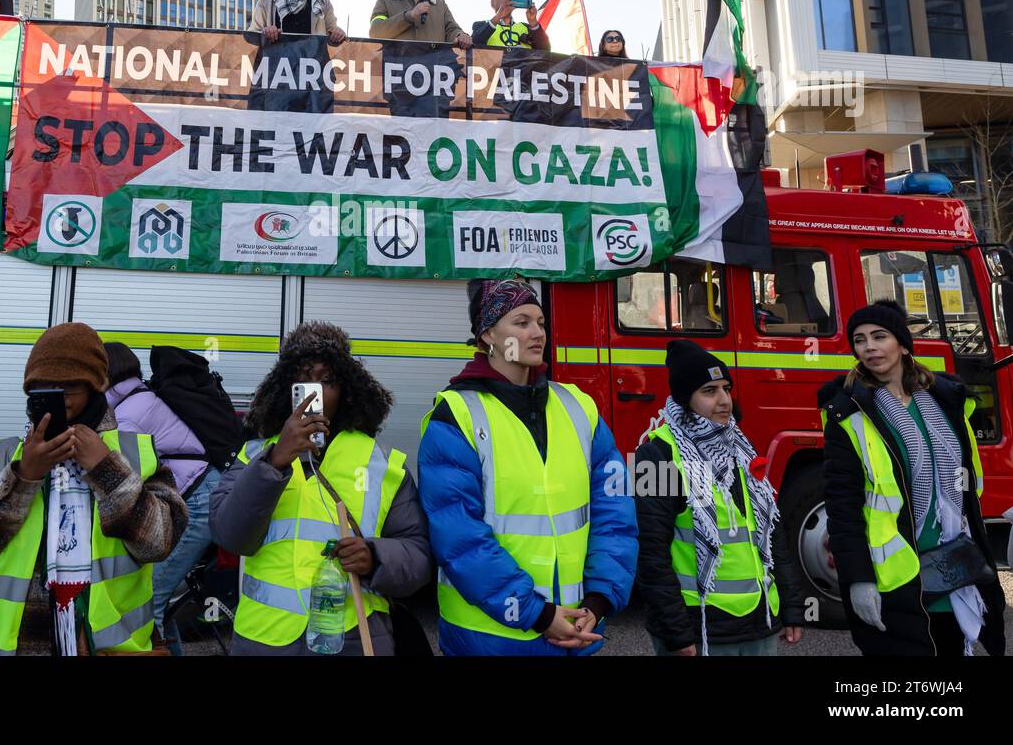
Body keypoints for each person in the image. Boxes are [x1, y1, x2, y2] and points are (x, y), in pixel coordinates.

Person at [419, 279, 638, 656]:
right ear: (488, 333)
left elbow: (614, 513)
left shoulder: (578, 407)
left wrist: (599, 601)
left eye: (540, 322)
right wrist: (536, 613)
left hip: (575, 630)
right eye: (521, 322)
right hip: (490, 640)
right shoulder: (455, 416)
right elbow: (460, 539)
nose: (538, 333)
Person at [0, 322, 187, 656]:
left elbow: (158, 545)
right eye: (43, 390)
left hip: (111, 648)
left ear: (94, 388)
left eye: (69, 387)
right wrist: (22, 479)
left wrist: (106, 471)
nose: (60, 402)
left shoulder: (135, 454)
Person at [209, 321, 432, 656]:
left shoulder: (381, 464)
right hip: (264, 641)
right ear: (285, 388)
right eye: (304, 379)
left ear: (347, 390)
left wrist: (375, 557)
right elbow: (230, 536)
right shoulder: (255, 456)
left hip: (353, 639)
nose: (315, 392)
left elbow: (419, 557)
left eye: (328, 381)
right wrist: (274, 463)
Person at [820, 299, 1006, 656]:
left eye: (879, 336)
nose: (869, 347)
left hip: (954, 566)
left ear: (903, 345)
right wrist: (858, 579)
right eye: (859, 340)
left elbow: (968, 485)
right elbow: (842, 506)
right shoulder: (848, 413)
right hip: (897, 578)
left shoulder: (947, 400)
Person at [635, 340, 804, 656]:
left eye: (726, 388)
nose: (724, 400)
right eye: (709, 391)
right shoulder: (655, 454)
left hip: (758, 619)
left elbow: (771, 532)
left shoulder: (741, 446)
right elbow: (649, 553)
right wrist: (676, 633)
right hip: (698, 628)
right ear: (686, 399)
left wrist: (792, 606)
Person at [103, 341, 217, 655]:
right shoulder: (136, 398)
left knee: (149, 599)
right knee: (159, 603)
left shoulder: (127, 415)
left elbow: (126, 478)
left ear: (105, 373)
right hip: (198, 493)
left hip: (197, 500)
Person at [471, 0, 550, 50]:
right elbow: (473, 45)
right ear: (492, 3)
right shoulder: (481, 25)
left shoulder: (526, 27)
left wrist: (533, 22)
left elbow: (546, 51)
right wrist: (498, 16)